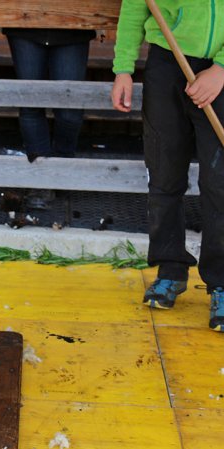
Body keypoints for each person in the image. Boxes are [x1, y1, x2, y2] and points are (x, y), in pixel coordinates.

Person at [110, 1, 224, 332]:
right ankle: (170, 269)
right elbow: (135, 7)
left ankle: (220, 283)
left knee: (219, 183)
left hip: (219, 74)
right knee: (164, 175)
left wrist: (220, 69)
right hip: (167, 65)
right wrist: (123, 69)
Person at [3, 28, 96, 162]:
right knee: (31, 104)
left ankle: (63, 163)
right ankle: (38, 169)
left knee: (70, 111)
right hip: (25, 26)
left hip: (73, 27)